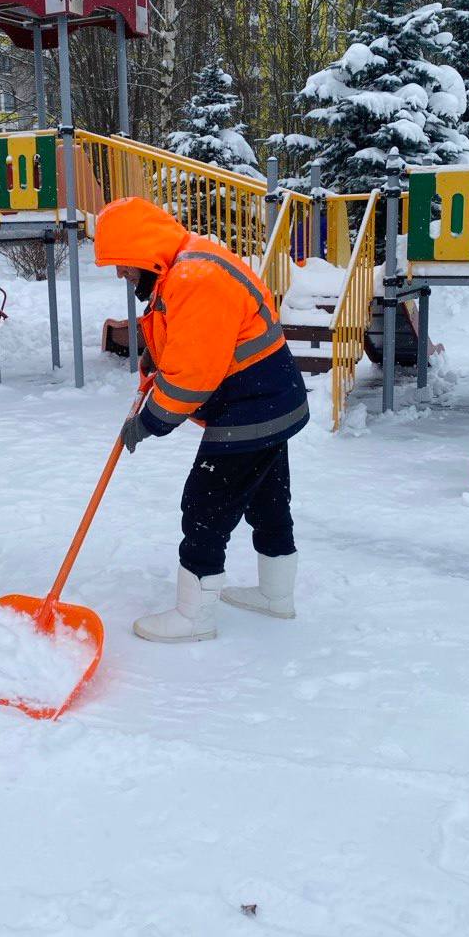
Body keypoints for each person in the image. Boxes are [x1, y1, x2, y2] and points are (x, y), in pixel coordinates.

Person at [93, 197, 309, 642]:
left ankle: (195, 617)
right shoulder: (185, 266)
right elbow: (191, 339)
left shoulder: (195, 277)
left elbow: (192, 378)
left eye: (122, 263)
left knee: (205, 505)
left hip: (250, 407)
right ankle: (275, 596)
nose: (120, 274)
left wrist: (150, 421)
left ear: (144, 251)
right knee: (266, 498)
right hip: (269, 400)